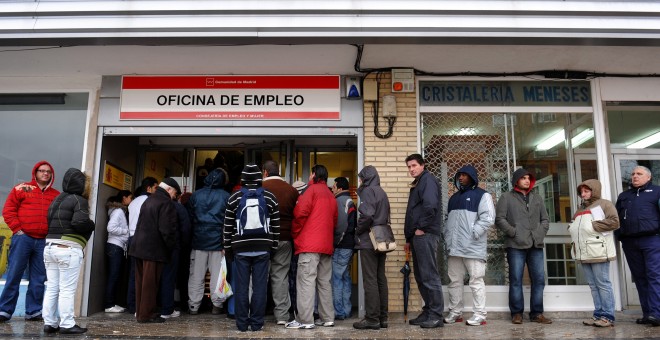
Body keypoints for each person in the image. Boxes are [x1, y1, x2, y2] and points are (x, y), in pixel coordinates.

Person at [223, 164, 280, 332]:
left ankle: (241, 324)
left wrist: (228, 248)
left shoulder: (234, 198)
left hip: (240, 249)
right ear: (259, 177)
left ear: (243, 179)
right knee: (260, 287)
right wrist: (273, 247)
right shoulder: (270, 197)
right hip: (263, 249)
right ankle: (256, 323)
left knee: (241, 287)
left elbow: (227, 226)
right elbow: (275, 227)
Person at [0, 161, 59, 322]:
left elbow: (58, 217)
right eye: (42, 171)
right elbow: (8, 210)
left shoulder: (56, 195)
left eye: (48, 172)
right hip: (23, 238)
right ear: (35, 172)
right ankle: (4, 310)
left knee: (39, 278)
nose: (45, 174)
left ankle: (33, 311)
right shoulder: (22, 188)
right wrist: (17, 229)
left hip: (43, 241)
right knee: (13, 274)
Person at [42, 168, 95, 334]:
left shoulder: (57, 199)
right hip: (67, 248)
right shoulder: (79, 200)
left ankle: (49, 323)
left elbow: (48, 220)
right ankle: (67, 324)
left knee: (52, 287)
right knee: (67, 289)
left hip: (49, 247)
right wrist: (91, 225)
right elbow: (80, 223)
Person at [495, 168, 551, 325]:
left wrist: (539, 234)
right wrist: (514, 233)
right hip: (515, 245)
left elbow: (545, 220)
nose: (527, 180)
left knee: (539, 279)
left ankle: (537, 313)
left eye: (529, 178)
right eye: (523, 178)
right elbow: (499, 219)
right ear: (516, 180)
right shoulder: (506, 197)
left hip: (536, 244)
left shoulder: (537, 198)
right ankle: (517, 313)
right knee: (515, 280)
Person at [286, 165, 338, 329]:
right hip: (326, 245)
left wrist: (295, 233)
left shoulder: (310, 191)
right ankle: (327, 317)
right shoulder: (331, 195)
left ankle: (305, 320)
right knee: (324, 282)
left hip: (309, 245)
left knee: (306, 282)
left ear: (314, 175)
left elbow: (299, 214)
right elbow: (334, 221)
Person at [443, 165, 495, 326]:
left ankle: (480, 314)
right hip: (454, 248)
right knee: (454, 281)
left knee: (476, 280)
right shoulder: (453, 198)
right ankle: (455, 312)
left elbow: (488, 218)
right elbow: (446, 219)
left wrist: (473, 234)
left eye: (464, 175)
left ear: (472, 177)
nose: (460, 178)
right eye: (459, 175)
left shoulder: (482, 195)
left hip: (473, 247)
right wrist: (447, 235)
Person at [569, 179, 619, 327]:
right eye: (581, 192)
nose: (583, 194)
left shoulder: (605, 204)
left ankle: (608, 316)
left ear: (594, 190)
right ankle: (598, 314)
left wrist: (592, 225)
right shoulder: (579, 209)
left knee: (602, 284)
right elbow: (574, 226)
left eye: (586, 191)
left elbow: (615, 222)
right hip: (583, 251)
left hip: (598, 251)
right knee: (593, 285)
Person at [128, 178, 179, 323]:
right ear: (169, 189)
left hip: (138, 247)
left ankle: (141, 312)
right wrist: (171, 247)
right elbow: (167, 230)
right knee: (150, 284)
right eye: (174, 193)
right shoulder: (165, 202)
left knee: (141, 283)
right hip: (153, 250)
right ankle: (147, 315)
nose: (174, 197)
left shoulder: (148, 200)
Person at [615, 165, 660, 327]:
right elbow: (616, 218)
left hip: (652, 240)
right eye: (633, 174)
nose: (635, 176)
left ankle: (657, 313)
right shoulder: (624, 196)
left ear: (648, 177)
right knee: (640, 278)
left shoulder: (657, 192)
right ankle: (647, 313)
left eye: (639, 174)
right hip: (630, 242)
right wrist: (619, 235)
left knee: (654, 276)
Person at [403, 154, 444, 329]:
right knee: (421, 276)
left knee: (429, 276)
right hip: (417, 236)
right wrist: (409, 238)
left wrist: (421, 228)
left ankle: (436, 315)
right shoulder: (420, 182)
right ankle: (428, 311)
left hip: (425, 234)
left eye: (414, 165)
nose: (411, 169)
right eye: (409, 167)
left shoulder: (428, 181)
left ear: (422, 165)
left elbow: (430, 207)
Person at [187, 168, 230, 315]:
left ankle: (194, 306)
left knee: (196, 276)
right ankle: (217, 306)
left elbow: (190, 218)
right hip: (218, 242)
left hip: (198, 240)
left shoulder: (196, 195)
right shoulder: (226, 196)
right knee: (217, 276)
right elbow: (228, 221)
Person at [262, 160, 299, 325]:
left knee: (258, 275)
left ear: (265, 172)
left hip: (263, 239)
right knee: (281, 276)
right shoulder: (291, 190)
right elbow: (297, 216)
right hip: (285, 238)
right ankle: (282, 316)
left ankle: (256, 312)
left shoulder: (260, 189)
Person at [353, 166, 390, 330]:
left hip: (369, 240)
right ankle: (383, 318)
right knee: (380, 278)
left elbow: (367, 215)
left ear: (366, 178)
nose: (360, 181)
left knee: (370, 280)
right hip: (381, 239)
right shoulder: (381, 191)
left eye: (361, 178)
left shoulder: (368, 191)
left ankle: (372, 319)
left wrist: (357, 230)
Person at [126, 177, 159, 314]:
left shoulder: (133, 202)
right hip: (143, 238)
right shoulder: (149, 201)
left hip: (131, 238)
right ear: (149, 188)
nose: (157, 191)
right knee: (144, 275)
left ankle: (132, 305)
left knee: (134, 273)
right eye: (156, 188)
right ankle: (140, 306)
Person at [159, 184, 188, 319]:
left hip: (156, 247)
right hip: (173, 247)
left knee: (155, 277)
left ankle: (151, 307)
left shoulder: (153, 203)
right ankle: (167, 308)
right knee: (169, 277)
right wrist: (182, 245)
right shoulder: (178, 207)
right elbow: (185, 228)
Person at [331, 177, 356, 322]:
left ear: (340, 188)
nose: (332, 190)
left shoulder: (339, 201)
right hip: (349, 245)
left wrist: (335, 242)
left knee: (337, 278)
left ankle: (339, 312)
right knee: (345, 277)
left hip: (341, 246)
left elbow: (341, 227)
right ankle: (347, 309)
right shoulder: (350, 201)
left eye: (333, 187)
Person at [104, 190, 133, 313]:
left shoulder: (119, 211)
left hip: (116, 246)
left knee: (115, 276)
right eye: (130, 198)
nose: (131, 200)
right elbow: (110, 228)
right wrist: (126, 231)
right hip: (115, 246)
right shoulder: (119, 211)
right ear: (124, 198)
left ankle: (113, 303)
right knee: (114, 276)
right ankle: (109, 305)